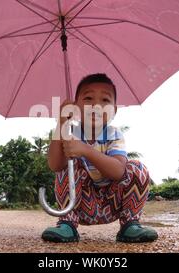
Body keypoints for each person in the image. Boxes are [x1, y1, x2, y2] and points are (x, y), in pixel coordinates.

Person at [42, 73, 158, 243]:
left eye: (105, 100)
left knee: (137, 168)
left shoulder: (114, 135)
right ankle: (67, 223)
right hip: (81, 207)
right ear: (75, 108)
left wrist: (85, 150)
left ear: (114, 110)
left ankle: (129, 224)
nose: (96, 105)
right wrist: (60, 124)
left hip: (113, 205)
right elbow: (54, 165)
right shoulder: (69, 133)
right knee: (68, 164)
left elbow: (119, 171)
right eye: (88, 98)